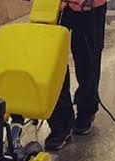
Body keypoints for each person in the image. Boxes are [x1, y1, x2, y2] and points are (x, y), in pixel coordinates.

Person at [45, 0, 108, 151]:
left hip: (89, 5)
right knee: (52, 59)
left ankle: (87, 109)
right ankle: (61, 123)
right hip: (51, 6)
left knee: (87, 58)